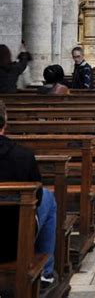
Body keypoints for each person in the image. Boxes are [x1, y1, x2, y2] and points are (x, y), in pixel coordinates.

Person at [0, 100, 57, 294]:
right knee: (47, 197)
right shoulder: (22, 156)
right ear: (5, 122)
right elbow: (37, 199)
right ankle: (45, 272)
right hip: (11, 242)